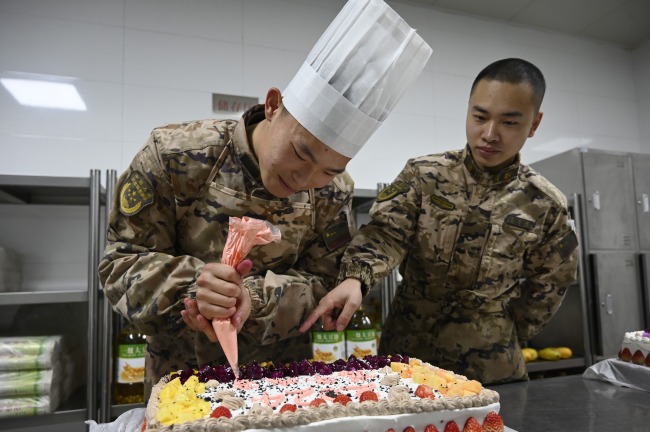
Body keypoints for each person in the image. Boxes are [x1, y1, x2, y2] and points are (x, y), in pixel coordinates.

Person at [98, 0, 431, 393]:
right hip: (180, 378)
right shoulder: (177, 155)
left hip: (283, 383)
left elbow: (324, 284)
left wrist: (252, 300)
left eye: (329, 169)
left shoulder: (333, 193)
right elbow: (120, 262)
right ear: (273, 106)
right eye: (301, 153)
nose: (305, 179)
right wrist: (195, 289)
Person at [301, 58, 579, 385]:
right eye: (479, 117)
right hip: (408, 352)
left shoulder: (545, 203)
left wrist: (496, 326)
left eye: (509, 123)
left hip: (490, 365)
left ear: (534, 124)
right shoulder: (425, 175)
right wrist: (356, 278)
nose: (489, 134)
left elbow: (550, 283)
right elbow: (386, 234)